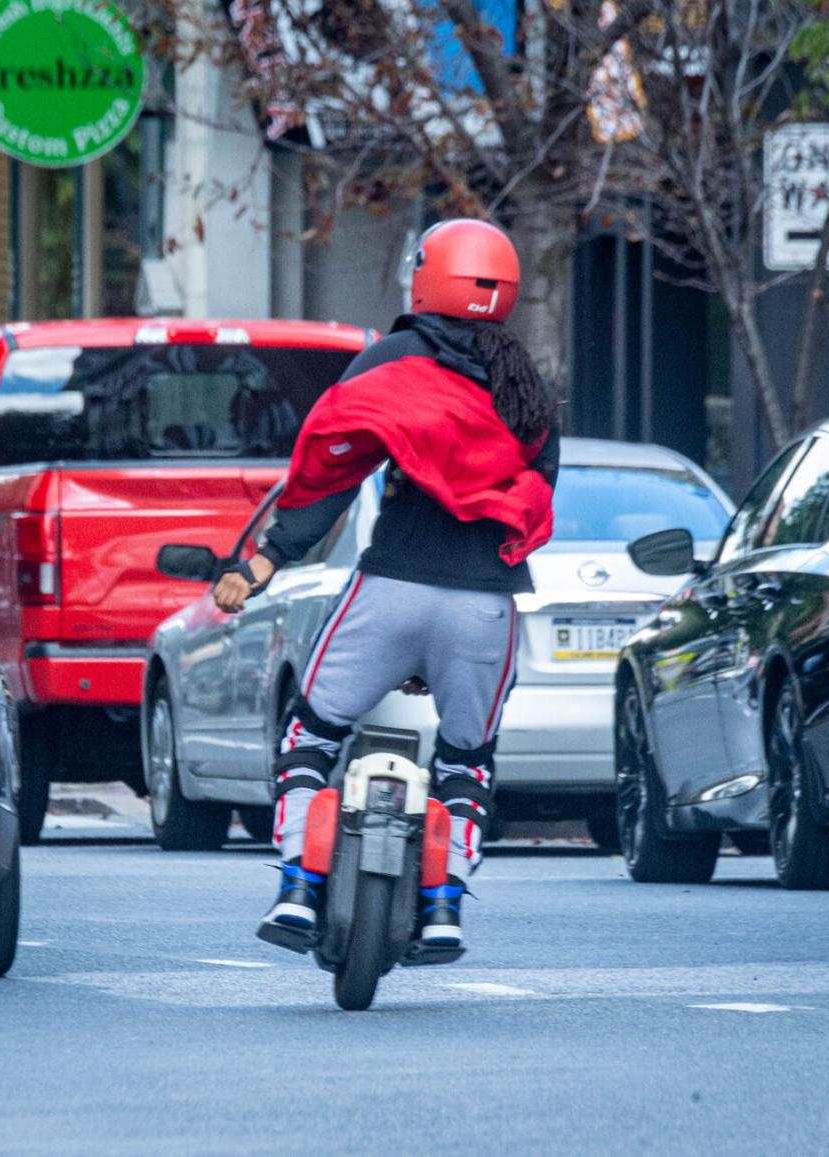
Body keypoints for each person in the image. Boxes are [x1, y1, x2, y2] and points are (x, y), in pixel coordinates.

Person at [211, 218, 560, 950]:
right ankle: (442, 905)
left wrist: (267, 558)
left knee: (309, 735)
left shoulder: (392, 359)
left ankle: (298, 893)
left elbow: (331, 468)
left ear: (428, 276)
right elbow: (539, 490)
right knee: (467, 760)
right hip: (485, 607)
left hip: (391, 589)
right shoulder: (528, 384)